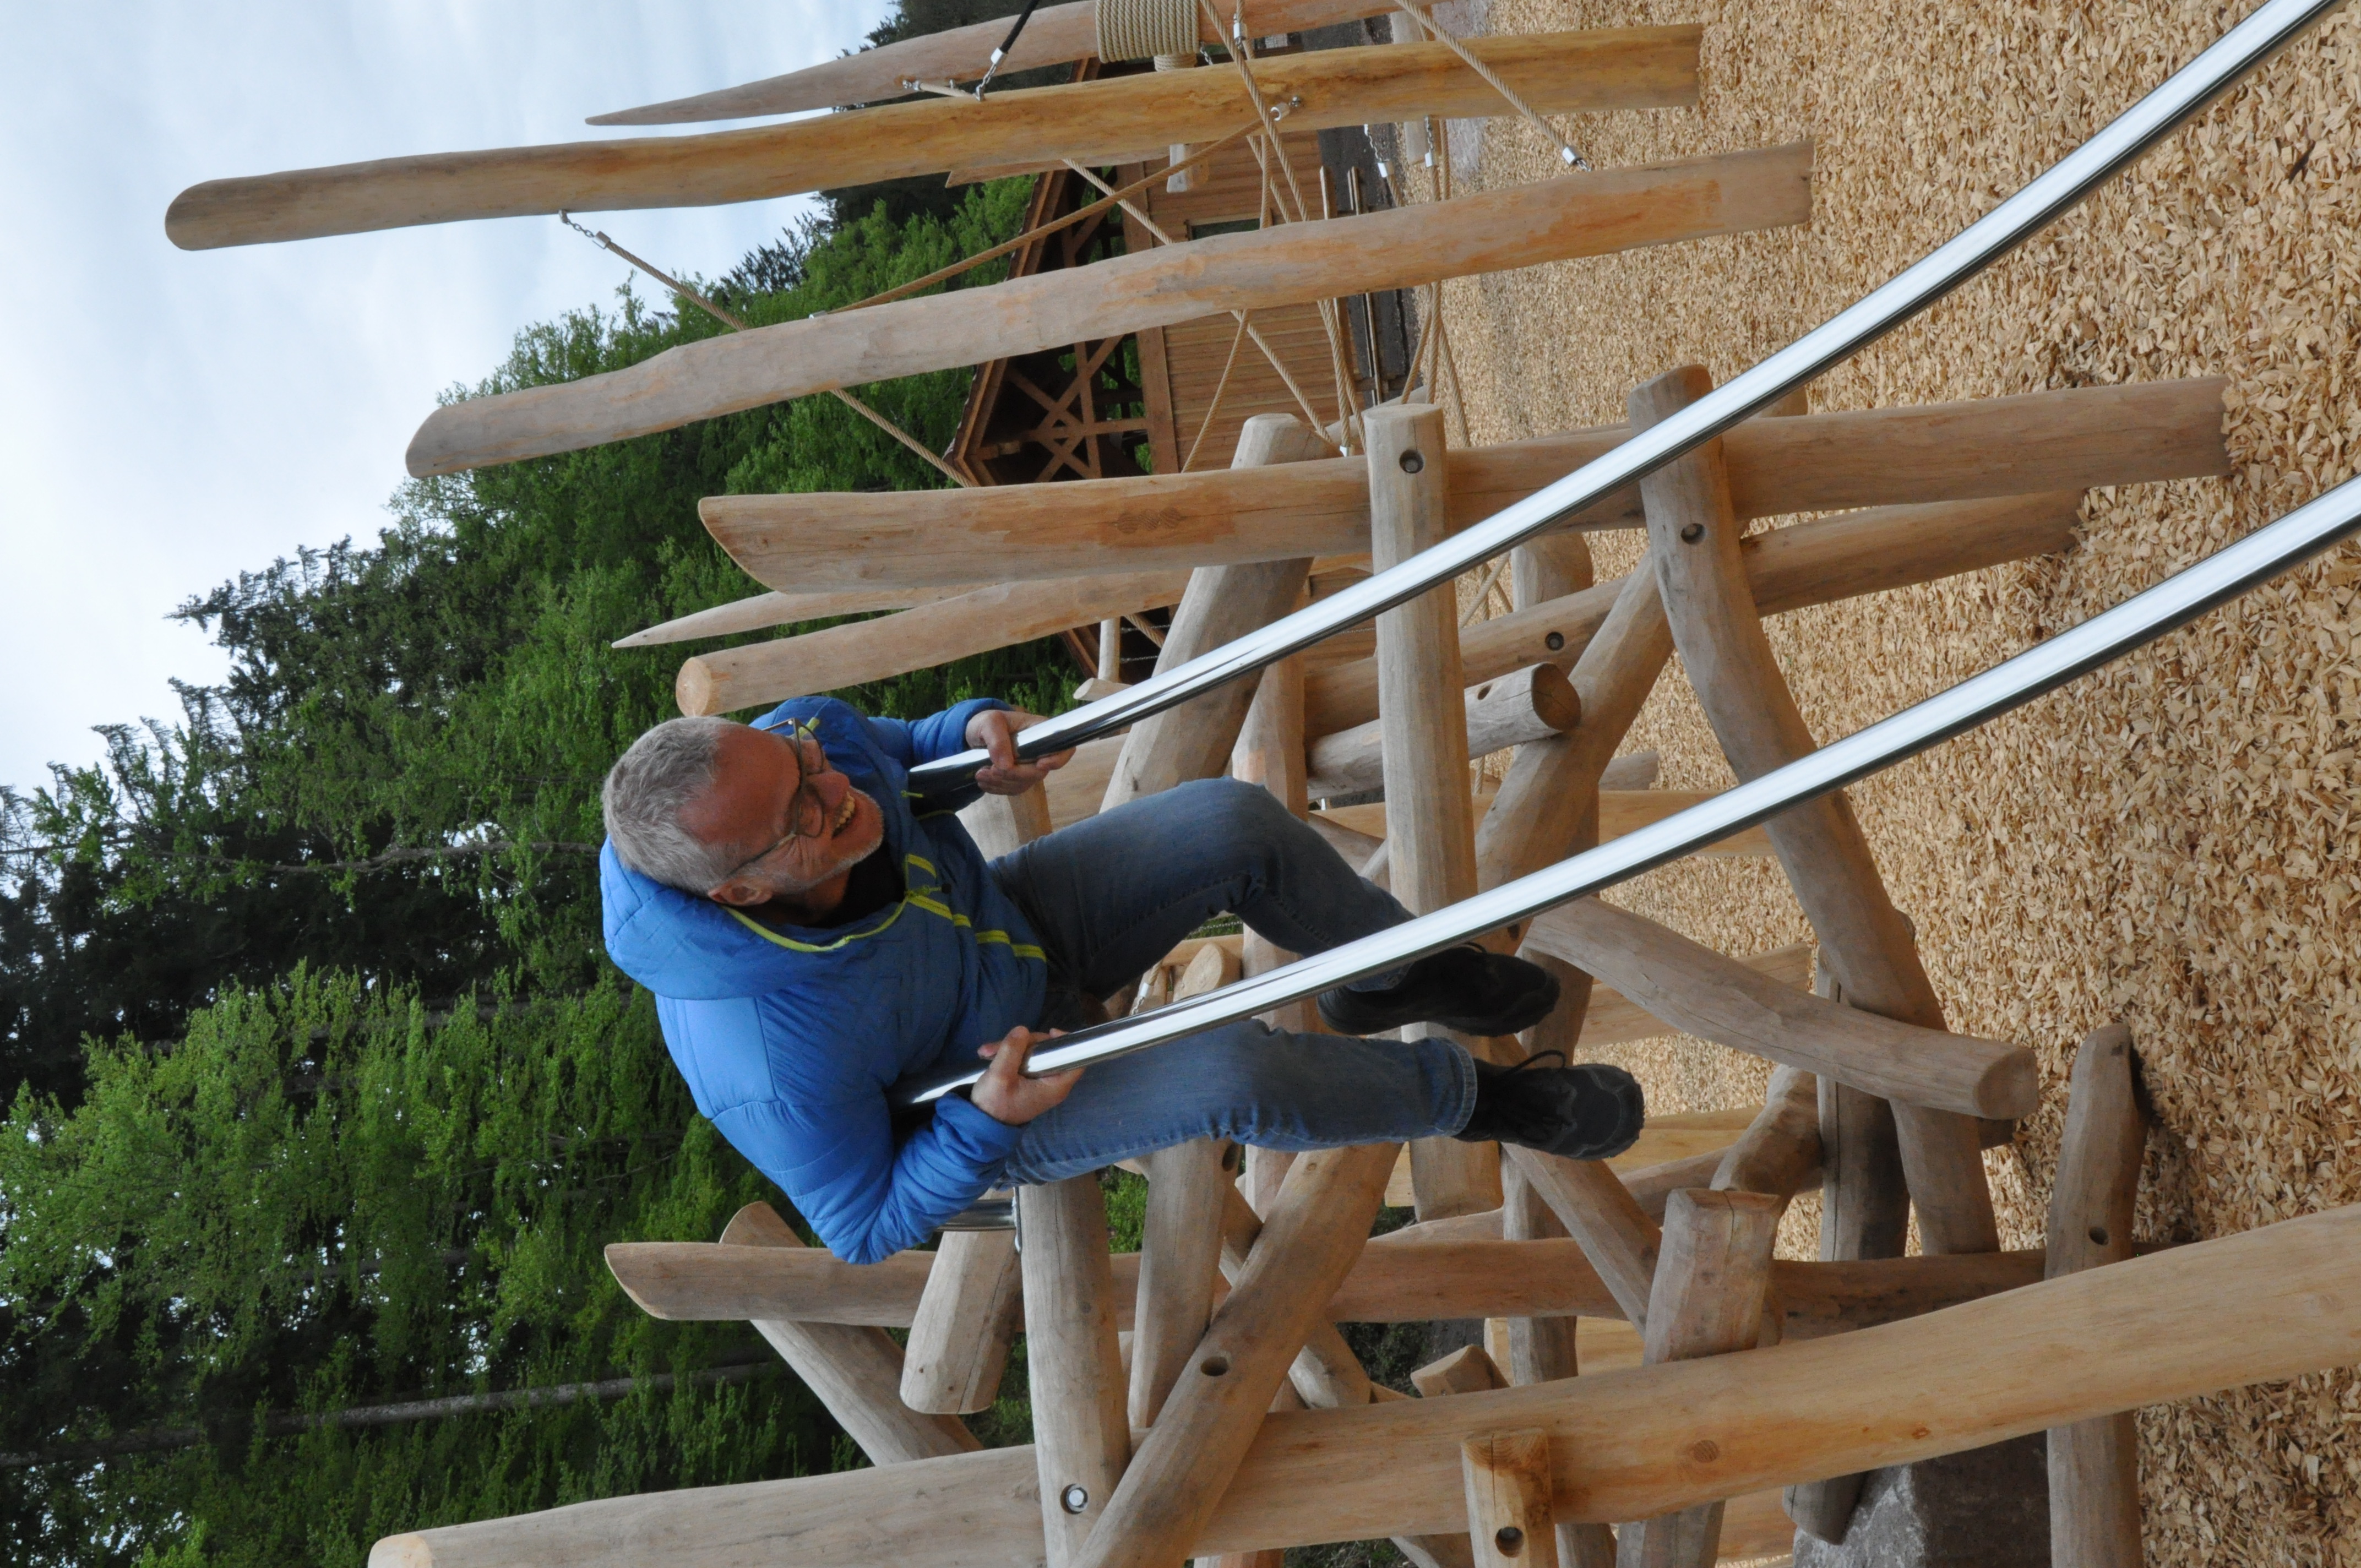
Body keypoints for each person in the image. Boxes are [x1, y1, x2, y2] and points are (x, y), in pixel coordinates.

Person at [599, 694, 1644, 1264]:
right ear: (740, 894)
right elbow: (863, 1224)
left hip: (1013, 926)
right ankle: (1487, 1100)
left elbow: (892, 749)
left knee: (1226, 820)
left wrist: (967, 738)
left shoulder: (798, 756)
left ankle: (1387, 974)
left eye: (805, 760)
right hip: (1008, 1082)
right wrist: (987, 1123)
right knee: (1234, 1069)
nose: (835, 787)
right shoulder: (767, 1062)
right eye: (807, 818)